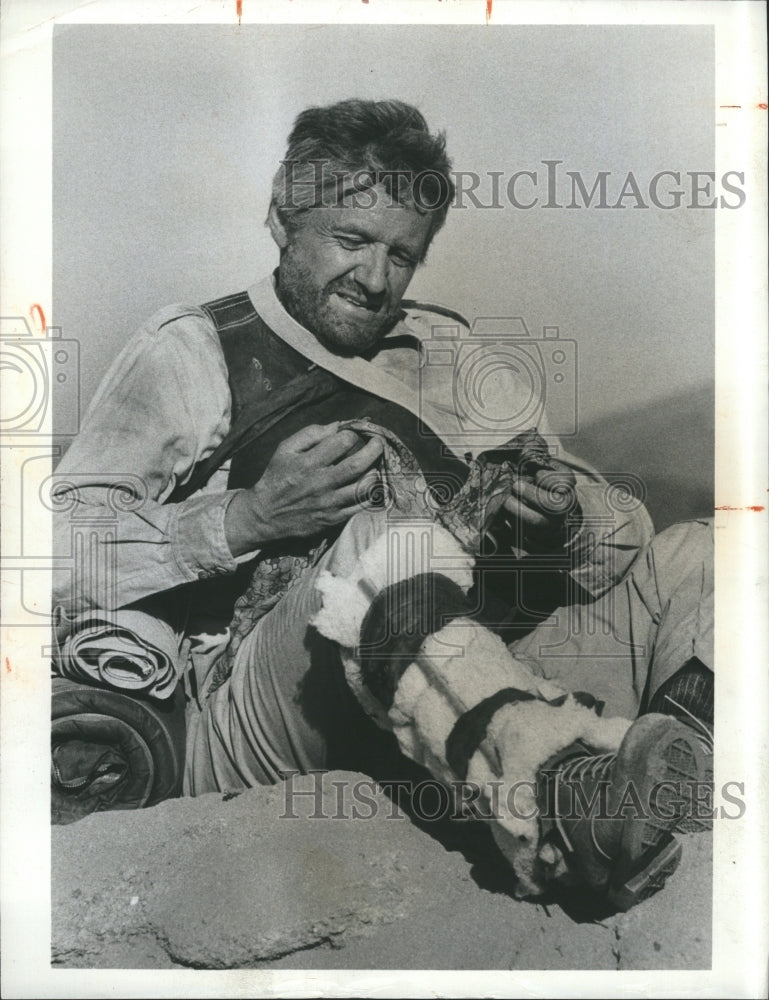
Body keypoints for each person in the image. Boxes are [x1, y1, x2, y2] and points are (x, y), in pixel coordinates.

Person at [51, 98, 713, 911]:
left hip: (477, 674)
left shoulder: (453, 355)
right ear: (283, 217)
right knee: (384, 540)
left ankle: (679, 794)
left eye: (401, 255)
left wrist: (568, 517)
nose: (374, 279)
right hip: (267, 712)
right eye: (352, 239)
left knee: (708, 555)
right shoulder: (197, 350)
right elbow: (51, 553)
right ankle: (559, 808)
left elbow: (624, 539)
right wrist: (247, 518)